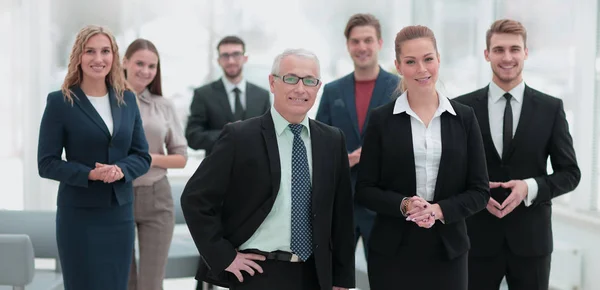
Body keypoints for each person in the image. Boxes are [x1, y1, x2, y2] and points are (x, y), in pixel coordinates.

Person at [181, 48, 355, 290]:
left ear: (318, 87)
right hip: (258, 272)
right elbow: (195, 199)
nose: (300, 88)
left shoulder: (332, 140)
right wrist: (224, 256)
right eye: (291, 78)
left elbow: (342, 214)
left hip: (315, 275)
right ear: (273, 83)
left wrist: (341, 278)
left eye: (309, 81)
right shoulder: (239, 137)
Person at [355, 25, 490, 290]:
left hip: (448, 251)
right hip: (392, 252)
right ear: (398, 65)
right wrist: (405, 205)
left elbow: (480, 190)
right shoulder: (381, 120)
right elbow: (365, 190)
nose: (421, 69)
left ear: (438, 59)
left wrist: (439, 210)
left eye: (428, 59)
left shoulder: (464, 118)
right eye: (410, 61)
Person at [455, 19, 581, 290]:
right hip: (476, 240)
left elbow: (570, 174)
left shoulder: (551, 109)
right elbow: (450, 171)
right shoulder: (462, 108)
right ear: (487, 54)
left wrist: (529, 187)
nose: (507, 57)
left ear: (526, 52)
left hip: (531, 244)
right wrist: (475, 193)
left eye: (515, 49)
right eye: (499, 49)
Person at [37, 25, 151, 290]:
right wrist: (89, 173)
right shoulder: (59, 102)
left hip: (119, 214)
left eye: (105, 51)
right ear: (78, 56)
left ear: (114, 57)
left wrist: (121, 169)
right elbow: (46, 163)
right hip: (79, 215)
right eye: (90, 51)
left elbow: (142, 156)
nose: (98, 59)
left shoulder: (127, 100)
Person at [315, 13, 399, 259]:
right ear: (348, 46)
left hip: (384, 205)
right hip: (342, 205)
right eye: (355, 41)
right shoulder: (332, 91)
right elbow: (318, 142)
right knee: (335, 279)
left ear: (379, 44)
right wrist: (344, 158)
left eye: (368, 40)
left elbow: (410, 143)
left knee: (386, 277)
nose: (362, 47)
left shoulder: (399, 89)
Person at [122, 38, 188, 290]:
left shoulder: (164, 106)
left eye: (152, 66)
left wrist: (147, 158)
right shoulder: (108, 103)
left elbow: (181, 157)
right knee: (124, 281)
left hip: (157, 198)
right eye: (140, 63)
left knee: (151, 284)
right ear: (125, 62)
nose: (146, 71)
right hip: (118, 196)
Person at [185, 35, 271, 155]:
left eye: (236, 54)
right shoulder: (203, 94)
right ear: (219, 61)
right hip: (217, 169)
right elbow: (192, 136)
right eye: (225, 56)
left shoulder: (262, 95)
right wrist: (225, 134)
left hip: (255, 169)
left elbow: (270, 134)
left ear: (245, 58)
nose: (231, 61)